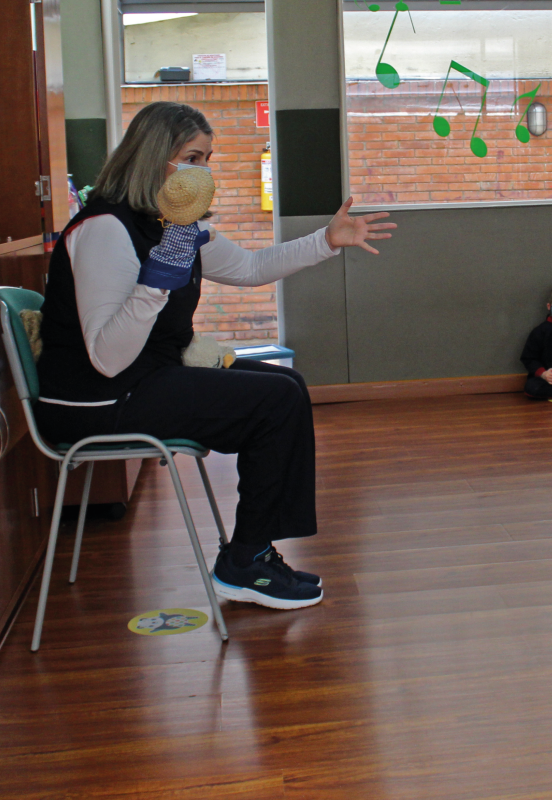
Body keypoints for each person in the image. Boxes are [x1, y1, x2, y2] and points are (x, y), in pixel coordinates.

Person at [36, 101, 396, 611]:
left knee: (288, 385)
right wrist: (156, 281)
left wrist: (327, 241)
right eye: (192, 158)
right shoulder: (105, 228)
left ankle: (254, 551)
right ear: (154, 156)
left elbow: (250, 267)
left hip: (144, 379)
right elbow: (107, 358)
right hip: (97, 399)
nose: (203, 171)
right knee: (273, 402)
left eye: (207, 159)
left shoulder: (175, 223)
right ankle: (245, 562)